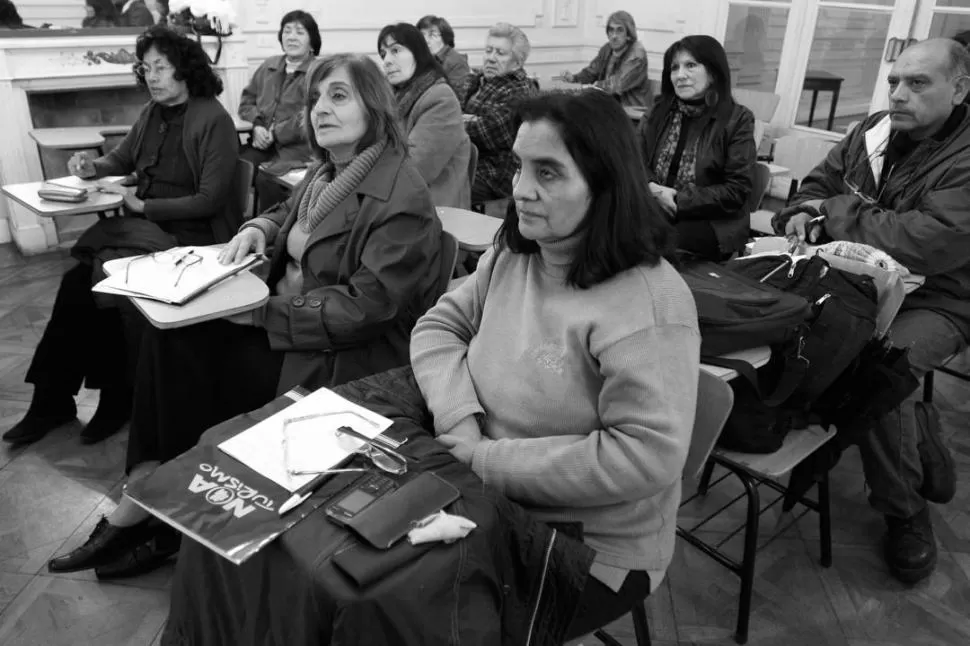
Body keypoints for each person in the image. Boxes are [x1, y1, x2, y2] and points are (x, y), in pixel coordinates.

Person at [46, 53, 444, 580]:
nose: (321, 108)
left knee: (189, 362)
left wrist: (260, 315)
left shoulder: (402, 194)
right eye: (317, 98)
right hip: (289, 324)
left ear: (375, 106)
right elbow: (289, 213)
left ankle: (150, 517)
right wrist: (259, 226)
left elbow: (366, 309)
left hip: (337, 355)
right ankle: (146, 499)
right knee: (169, 341)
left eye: (339, 96)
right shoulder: (329, 170)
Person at [410, 89, 699, 639]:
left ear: (605, 183)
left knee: (418, 618)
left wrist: (484, 459)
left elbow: (646, 456)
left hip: (592, 543)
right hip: (485, 483)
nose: (520, 190)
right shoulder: (515, 253)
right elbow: (438, 326)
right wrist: (461, 425)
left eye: (548, 172)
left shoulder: (649, 303)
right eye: (520, 166)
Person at [774, 38, 970, 585]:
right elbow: (817, 185)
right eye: (894, 82)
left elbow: (931, 241)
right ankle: (902, 430)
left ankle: (904, 510)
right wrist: (799, 211)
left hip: (942, 298)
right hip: (859, 283)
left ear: (960, 88)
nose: (899, 94)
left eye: (918, 83)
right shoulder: (872, 132)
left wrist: (834, 212)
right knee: (792, 331)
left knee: (880, 370)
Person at [1, 26, 239, 448]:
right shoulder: (152, 112)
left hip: (191, 240)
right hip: (147, 234)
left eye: (161, 67)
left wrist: (144, 207)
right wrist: (91, 168)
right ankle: (51, 400)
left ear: (185, 68)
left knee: (104, 284)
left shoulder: (213, 118)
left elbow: (210, 199)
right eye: (146, 68)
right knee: (79, 283)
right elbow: (122, 157)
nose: (152, 76)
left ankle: (119, 398)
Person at [637, 35, 756, 260]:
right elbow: (633, 160)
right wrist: (653, 189)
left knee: (655, 241)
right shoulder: (658, 110)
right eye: (674, 68)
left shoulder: (737, 119)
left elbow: (736, 190)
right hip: (653, 203)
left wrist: (677, 200)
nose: (680, 75)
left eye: (690, 65)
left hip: (712, 221)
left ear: (713, 71)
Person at [378, 22, 471, 208]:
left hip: (430, 209)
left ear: (418, 53)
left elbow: (413, 171)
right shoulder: (394, 98)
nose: (387, 60)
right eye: (383, 54)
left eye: (395, 50)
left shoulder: (440, 99)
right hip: (397, 198)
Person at [239, 10, 320, 213]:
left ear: (312, 41)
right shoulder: (269, 66)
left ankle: (272, 232)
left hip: (299, 150)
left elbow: (311, 114)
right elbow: (247, 102)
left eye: (300, 32)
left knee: (268, 179)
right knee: (235, 166)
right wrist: (257, 125)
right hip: (262, 143)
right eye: (287, 31)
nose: (291, 37)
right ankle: (236, 226)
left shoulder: (318, 71)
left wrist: (275, 133)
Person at [463, 22, 537, 204]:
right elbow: (449, 110)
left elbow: (484, 133)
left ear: (518, 62)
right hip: (466, 158)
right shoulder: (477, 80)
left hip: (496, 173)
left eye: (500, 53)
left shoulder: (520, 91)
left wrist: (459, 120)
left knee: (436, 184)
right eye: (488, 50)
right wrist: (467, 119)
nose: (491, 58)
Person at [561, 11, 651, 108]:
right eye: (611, 30)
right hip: (606, 105)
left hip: (629, 112)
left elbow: (617, 85)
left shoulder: (637, 54)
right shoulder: (607, 49)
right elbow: (591, 72)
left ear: (629, 34)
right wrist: (574, 78)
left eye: (619, 30)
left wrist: (591, 87)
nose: (614, 36)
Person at [417, 14, 470, 99]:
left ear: (445, 38)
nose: (426, 40)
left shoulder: (457, 62)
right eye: (422, 35)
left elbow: (455, 98)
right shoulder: (421, 59)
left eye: (432, 35)